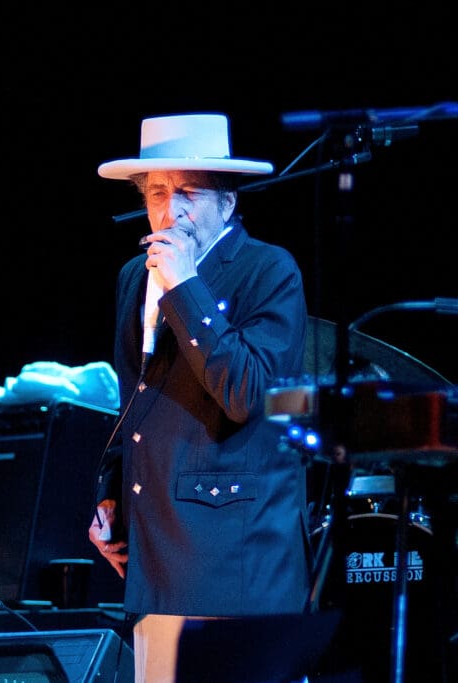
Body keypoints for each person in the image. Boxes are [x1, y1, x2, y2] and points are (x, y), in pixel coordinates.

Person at [87, 113, 311, 682]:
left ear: (228, 203)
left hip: (233, 557)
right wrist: (110, 494)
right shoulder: (133, 276)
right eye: (158, 192)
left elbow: (246, 394)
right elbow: (134, 398)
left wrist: (186, 287)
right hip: (154, 549)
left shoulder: (268, 269)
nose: (172, 210)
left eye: (189, 191)